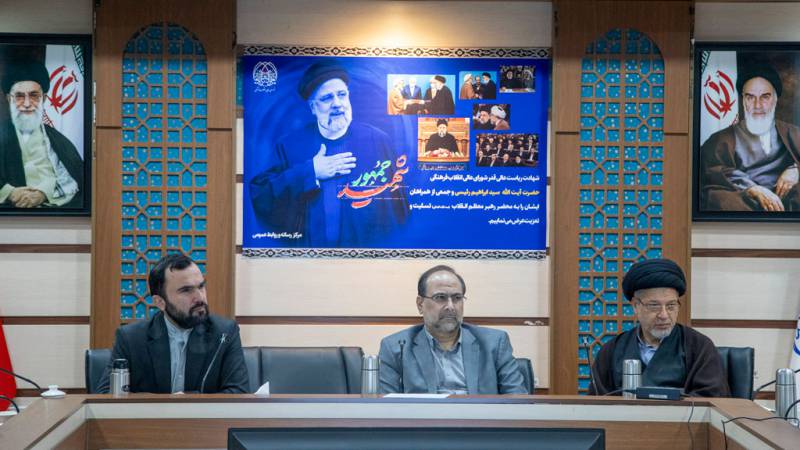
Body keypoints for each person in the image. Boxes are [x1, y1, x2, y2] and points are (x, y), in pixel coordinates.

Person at [249, 60, 408, 247]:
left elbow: (398, 208)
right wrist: (311, 171)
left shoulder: (378, 140)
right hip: (307, 259)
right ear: (313, 108)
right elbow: (261, 196)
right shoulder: (289, 145)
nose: (337, 104)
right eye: (326, 98)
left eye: (342, 95)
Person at [97, 253, 249, 394]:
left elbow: (238, 393)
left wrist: (186, 405)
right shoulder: (131, 338)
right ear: (160, 302)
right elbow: (107, 395)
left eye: (201, 286)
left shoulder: (224, 333)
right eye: (186, 290)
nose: (199, 297)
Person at [588, 258, 730, 397]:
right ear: (636, 306)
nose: (664, 315)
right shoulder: (612, 350)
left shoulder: (699, 347)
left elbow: (712, 400)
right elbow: (598, 403)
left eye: (671, 306)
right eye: (654, 305)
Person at [378, 265, 527, 394]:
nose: (450, 306)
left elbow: (518, 401)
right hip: (424, 419)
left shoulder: (494, 343)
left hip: (479, 418)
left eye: (457, 298)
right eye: (440, 297)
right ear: (420, 304)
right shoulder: (395, 348)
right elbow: (386, 408)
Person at [700, 62, 800, 212]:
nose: (757, 105)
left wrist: (796, 170)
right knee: (718, 199)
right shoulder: (720, 139)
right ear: (743, 100)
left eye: (765, 97)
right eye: (750, 97)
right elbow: (711, 172)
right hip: (745, 201)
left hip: (786, 200)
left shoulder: (793, 133)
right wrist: (753, 189)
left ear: (775, 100)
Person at [0, 60, 83, 208]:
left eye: (34, 96)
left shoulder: (58, 140)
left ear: (43, 99)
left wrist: (44, 193)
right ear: (9, 99)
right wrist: (9, 192)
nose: (27, 104)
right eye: (19, 96)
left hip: (54, 212)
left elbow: (75, 179)